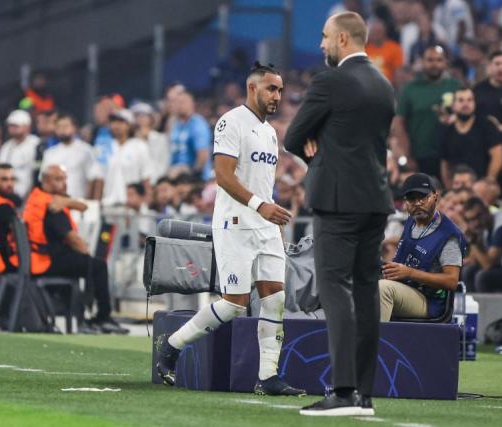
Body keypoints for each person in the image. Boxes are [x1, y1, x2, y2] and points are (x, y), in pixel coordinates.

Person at [156, 63, 305, 397]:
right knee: (234, 305)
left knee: (275, 299)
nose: (277, 96)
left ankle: (268, 377)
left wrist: (271, 218)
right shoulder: (230, 121)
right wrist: (260, 207)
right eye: (271, 89)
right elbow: (223, 175)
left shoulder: (269, 132)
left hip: (264, 225)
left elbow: (261, 184)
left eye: (280, 90)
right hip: (235, 223)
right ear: (252, 88)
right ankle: (173, 345)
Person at [284, 11, 395, 416]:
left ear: (344, 40)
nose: (321, 45)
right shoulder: (384, 84)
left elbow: (295, 136)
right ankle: (363, 395)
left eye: (326, 37)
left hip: (337, 201)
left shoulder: (331, 81)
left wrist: (318, 156)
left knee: (334, 289)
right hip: (375, 202)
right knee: (366, 293)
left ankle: (343, 391)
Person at [24, 165, 127, 334]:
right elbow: (73, 240)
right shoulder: (53, 207)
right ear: (45, 181)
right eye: (58, 179)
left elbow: (83, 206)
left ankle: (85, 317)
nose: (64, 183)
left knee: (87, 264)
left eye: (65, 179)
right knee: (97, 265)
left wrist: (67, 201)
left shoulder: (38, 197)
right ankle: (102, 318)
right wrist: (86, 252)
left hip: (39, 258)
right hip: (47, 261)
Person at [379, 173, 465, 321]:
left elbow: (451, 281)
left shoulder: (448, 235)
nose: (418, 203)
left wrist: (410, 273)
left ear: (435, 197)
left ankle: (378, 343)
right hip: (404, 287)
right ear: (405, 202)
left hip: (429, 301)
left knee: (383, 289)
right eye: (412, 199)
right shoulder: (412, 220)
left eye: (423, 197)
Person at [391, 45, 459, 178]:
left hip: (451, 155)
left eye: (439, 60)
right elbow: (399, 123)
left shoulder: (455, 86)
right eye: (430, 60)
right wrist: (407, 155)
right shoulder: (410, 89)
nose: (435, 64)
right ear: (422, 62)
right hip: (419, 155)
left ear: (445, 62)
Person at [438, 87, 502, 191]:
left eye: (470, 100)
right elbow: (445, 164)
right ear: (453, 105)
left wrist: (487, 183)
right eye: (461, 100)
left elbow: (497, 156)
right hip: (456, 186)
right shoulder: (447, 131)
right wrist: (449, 188)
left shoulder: (487, 125)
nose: (466, 104)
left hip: (481, 185)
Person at [40, 114, 101, 200]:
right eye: (59, 127)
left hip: (79, 202)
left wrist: (89, 203)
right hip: (55, 203)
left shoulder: (87, 151)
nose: (62, 129)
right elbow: (44, 180)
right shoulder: (49, 153)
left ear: (74, 128)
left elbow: (94, 178)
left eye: (66, 126)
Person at [101, 109, 153, 206]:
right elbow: (99, 178)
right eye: (113, 122)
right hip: (107, 203)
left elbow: (146, 177)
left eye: (121, 122)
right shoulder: (104, 147)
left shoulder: (140, 146)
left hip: (131, 205)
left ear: (130, 125)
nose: (116, 125)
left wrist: (146, 203)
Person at [0, 110, 40, 199]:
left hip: (31, 193)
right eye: (10, 126)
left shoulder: (36, 144)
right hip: (9, 194)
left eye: (16, 126)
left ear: (27, 126)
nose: (12, 128)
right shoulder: (6, 146)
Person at [169, 91, 211, 180]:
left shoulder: (198, 124)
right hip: (175, 173)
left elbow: (203, 156)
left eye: (183, 102)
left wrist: (191, 175)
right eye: (177, 102)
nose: (180, 105)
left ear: (192, 104)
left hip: (194, 176)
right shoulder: (175, 124)